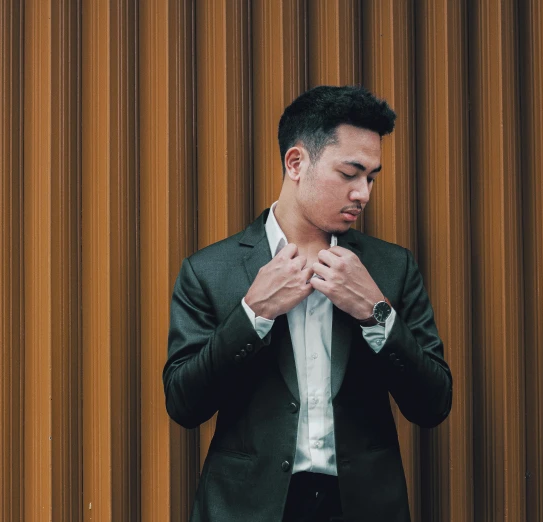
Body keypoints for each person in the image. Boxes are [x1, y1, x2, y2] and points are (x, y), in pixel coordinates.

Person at [163, 85, 452, 522]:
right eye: (350, 173)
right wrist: (252, 315)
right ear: (296, 162)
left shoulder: (392, 268)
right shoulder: (209, 271)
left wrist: (376, 312)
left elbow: (433, 405)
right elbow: (184, 405)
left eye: (371, 177)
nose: (364, 194)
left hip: (362, 506)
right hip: (249, 508)